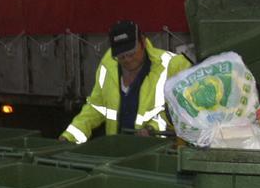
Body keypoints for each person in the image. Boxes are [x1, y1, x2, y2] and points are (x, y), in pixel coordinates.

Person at [59, 20, 191, 143]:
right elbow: (95, 108)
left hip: (157, 155)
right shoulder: (108, 65)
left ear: (143, 42)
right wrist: (69, 137)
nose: (127, 59)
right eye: (121, 56)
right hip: (119, 153)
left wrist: (152, 129)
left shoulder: (173, 66)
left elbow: (184, 111)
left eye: (131, 53)